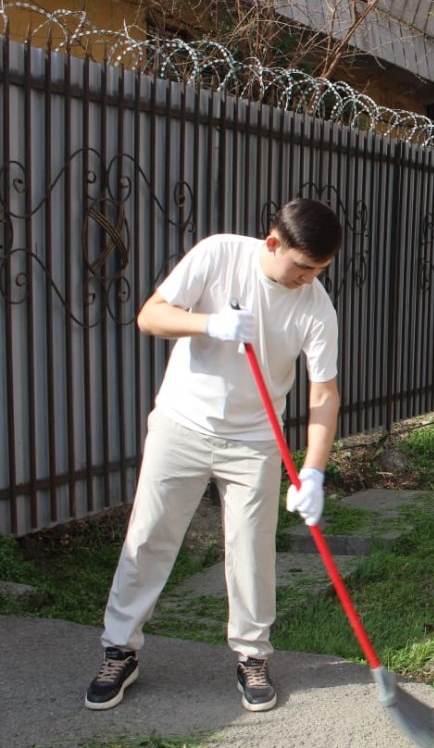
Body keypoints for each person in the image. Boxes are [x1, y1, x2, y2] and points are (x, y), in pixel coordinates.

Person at [85, 199, 343, 713]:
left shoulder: (316, 305)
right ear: (273, 244)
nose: (308, 279)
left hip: (254, 441)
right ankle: (120, 649)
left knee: (251, 552)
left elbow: (324, 394)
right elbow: (150, 317)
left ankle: (251, 655)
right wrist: (210, 325)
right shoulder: (219, 255)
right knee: (150, 536)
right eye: (302, 267)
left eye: (319, 271)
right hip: (182, 423)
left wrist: (312, 471)